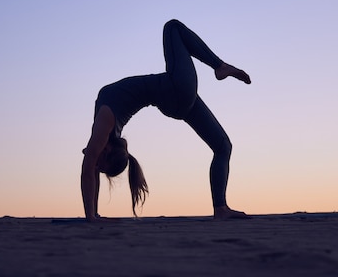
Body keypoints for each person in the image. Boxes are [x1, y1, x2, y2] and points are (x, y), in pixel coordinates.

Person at [81, 19, 251, 222]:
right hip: (175, 89)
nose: (95, 163)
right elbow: (89, 167)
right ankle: (220, 66)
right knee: (172, 27)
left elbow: (91, 167)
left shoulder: (105, 131)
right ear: (107, 150)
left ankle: (221, 208)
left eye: (99, 164)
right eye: (100, 164)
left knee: (223, 146)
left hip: (174, 100)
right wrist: (92, 216)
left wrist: (93, 215)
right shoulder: (105, 126)